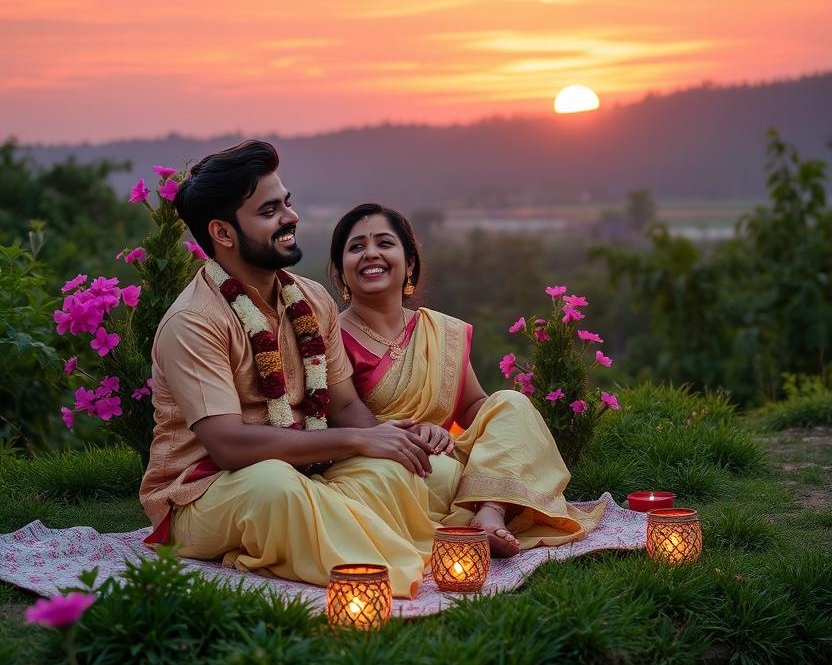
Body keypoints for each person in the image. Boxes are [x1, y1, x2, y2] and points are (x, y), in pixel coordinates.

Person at [140, 140, 455, 598]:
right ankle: (387, 572)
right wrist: (357, 440)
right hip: (205, 493)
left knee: (416, 470)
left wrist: (388, 440)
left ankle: (309, 538)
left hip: (307, 468)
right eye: (270, 211)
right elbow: (227, 446)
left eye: (286, 203)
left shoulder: (311, 298)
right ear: (223, 233)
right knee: (276, 487)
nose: (291, 217)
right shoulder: (194, 321)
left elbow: (344, 405)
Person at [329, 203, 604, 557]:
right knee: (429, 474)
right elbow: (342, 413)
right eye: (356, 247)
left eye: (384, 243)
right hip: (387, 466)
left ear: (409, 263)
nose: (370, 253)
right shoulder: (331, 337)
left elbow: (474, 405)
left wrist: (494, 431)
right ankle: (475, 507)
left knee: (511, 402)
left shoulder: (440, 330)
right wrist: (408, 435)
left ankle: (490, 509)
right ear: (341, 270)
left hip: (446, 456)